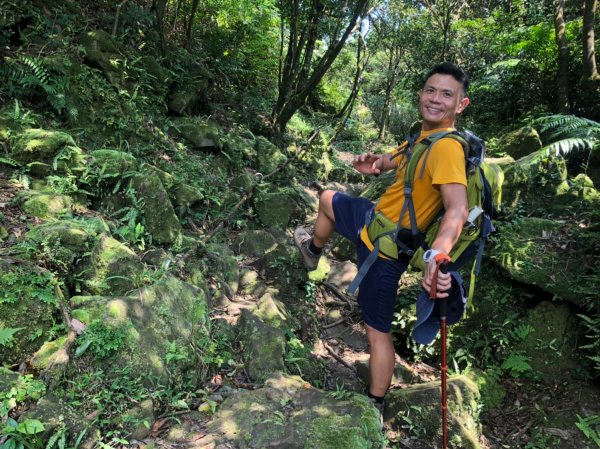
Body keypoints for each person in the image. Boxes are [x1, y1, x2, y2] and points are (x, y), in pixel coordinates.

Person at [293, 62, 470, 412]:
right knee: (328, 198)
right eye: (430, 90)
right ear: (421, 93)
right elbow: (399, 157)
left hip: (386, 254)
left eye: (446, 94)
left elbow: (457, 209)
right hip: (372, 222)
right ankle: (312, 250)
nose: (435, 99)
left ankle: (374, 405)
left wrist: (438, 255)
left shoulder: (448, 149)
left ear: (460, 105)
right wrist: (375, 163)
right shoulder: (423, 137)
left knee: (377, 331)